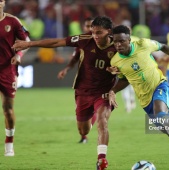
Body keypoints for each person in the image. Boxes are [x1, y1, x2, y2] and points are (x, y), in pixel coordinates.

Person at [13, 16, 116, 170]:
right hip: (83, 91)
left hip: (104, 92)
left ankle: (102, 160)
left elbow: (131, 65)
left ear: (109, 31)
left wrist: (117, 78)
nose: (95, 36)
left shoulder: (119, 46)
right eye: (93, 32)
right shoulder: (84, 39)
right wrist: (29, 44)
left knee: (103, 122)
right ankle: (91, 116)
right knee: (84, 129)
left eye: (99, 33)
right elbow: (57, 42)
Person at [107, 25, 169, 165]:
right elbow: (125, 79)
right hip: (144, 99)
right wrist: (113, 91)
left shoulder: (143, 44)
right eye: (115, 42)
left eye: (122, 41)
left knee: (160, 113)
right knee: (167, 130)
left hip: (160, 85)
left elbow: (162, 47)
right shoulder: (115, 61)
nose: (118, 45)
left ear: (129, 39)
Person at [0, 0, 30, 156]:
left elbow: (27, 41)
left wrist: (18, 55)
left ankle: (9, 142)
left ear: (3, 3)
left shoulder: (12, 21)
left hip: (7, 69)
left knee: (8, 109)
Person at [58, 17, 95, 144]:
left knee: (99, 108)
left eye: (92, 26)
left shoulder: (104, 41)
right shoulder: (82, 41)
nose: (89, 28)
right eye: (87, 26)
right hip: (83, 83)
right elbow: (74, 59)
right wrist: (66, 69)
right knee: (81, 111)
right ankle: (84, 135)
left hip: (100, 83)